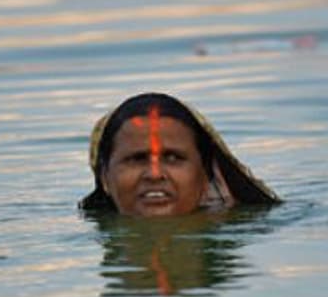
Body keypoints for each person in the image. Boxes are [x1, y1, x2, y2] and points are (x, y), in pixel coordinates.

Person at [79, 92, 280, 216]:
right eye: (137, 159)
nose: (155, 174)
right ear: (104, 176)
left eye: (173, 158)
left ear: (206, 173)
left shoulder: (254, 226)